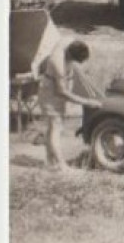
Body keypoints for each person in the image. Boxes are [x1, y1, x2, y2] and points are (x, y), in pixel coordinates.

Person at [37, 40, 98, 171]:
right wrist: (86, 101)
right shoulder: (58, 63)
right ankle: (61, 165)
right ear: (70, 56)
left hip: (55, 91)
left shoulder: (68, 43)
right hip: (50, 95)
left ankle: (50, 162)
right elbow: (61, 92)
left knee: (52, 128)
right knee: (55, 128)